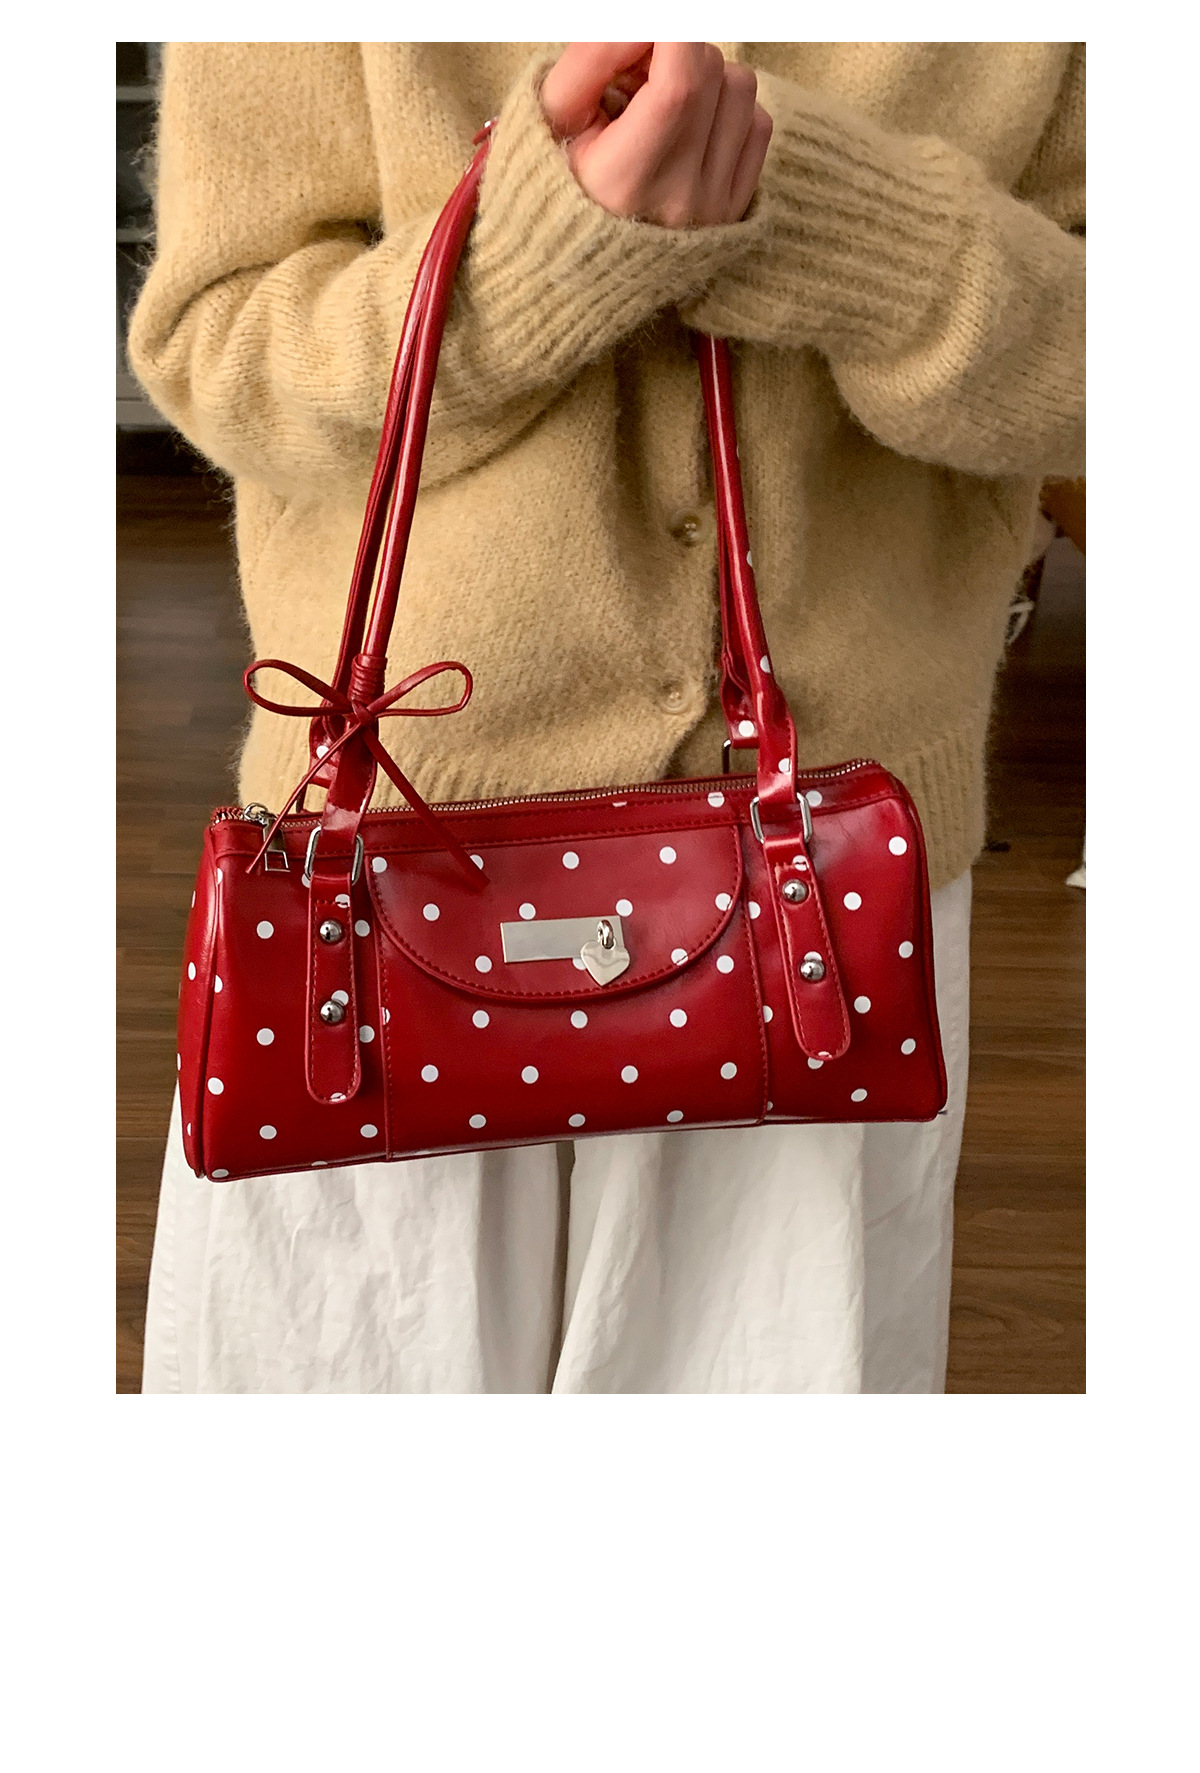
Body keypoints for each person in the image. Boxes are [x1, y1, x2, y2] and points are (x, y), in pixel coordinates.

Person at [129, 41, 1084, 1394]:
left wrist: (835, 217)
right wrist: (534, 258)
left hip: (825, 900)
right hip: (381, 887)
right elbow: (221, 352)